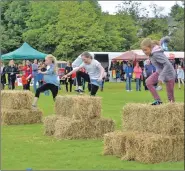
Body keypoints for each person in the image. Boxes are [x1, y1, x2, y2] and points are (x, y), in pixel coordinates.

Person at [141, 38, 176, 105]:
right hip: (160, 72)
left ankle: (172, 109)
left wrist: (161, 77)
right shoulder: (152, 52)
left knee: (170, 97)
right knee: (148, 82)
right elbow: (160, 42)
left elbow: (168, 64)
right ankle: (158, 100)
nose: (144, 52)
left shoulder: (156, 54)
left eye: (145, 50)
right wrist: (164, 39)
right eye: (143, 50)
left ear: (150, 47)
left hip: (169, 74)